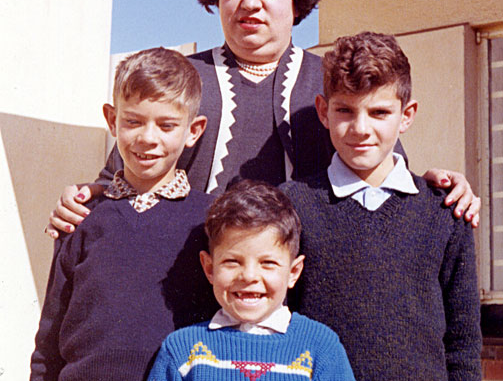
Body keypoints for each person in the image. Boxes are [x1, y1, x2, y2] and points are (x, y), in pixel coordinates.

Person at [45, 0, 479, 238]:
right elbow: (117, 182)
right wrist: (82, 197)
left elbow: (385, 176)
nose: (250, 2)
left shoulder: (333, 86)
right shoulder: (177, 82)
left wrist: (438, 188)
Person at [281, 32, 482, 379]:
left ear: (406, 115)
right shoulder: (291, 205)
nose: (361, 128)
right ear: (323, 111)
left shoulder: (445, 212)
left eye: (379, 112)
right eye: (345, 110)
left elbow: (463, 342)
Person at [30, 48, 219, 381]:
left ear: (194, 130)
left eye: (166, 125)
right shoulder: (81, 217)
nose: (147, 138)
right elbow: (49, 339)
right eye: (133, 121)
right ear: (112, 120)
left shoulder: (211, 221)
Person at [147, 179, 355, 380]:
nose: (249, 276)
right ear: (209, 268)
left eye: (268, 263)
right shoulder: (182, 351)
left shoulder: (321, 348)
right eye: (232, 262)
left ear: (293, 272)